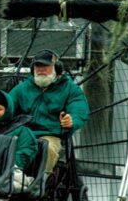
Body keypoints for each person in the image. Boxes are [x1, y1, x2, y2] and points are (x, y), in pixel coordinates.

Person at [8, 49, 89, 178]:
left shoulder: (70, 89)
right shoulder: (23, 88)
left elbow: (79, 109)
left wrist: (71, 120)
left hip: (49, 136)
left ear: (57, 69)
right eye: (37, 66)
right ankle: (8, 181)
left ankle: (36, 188)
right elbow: (7, 105)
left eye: (45, 66)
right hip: (22, 133)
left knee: (48, 149)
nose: (41, 70)